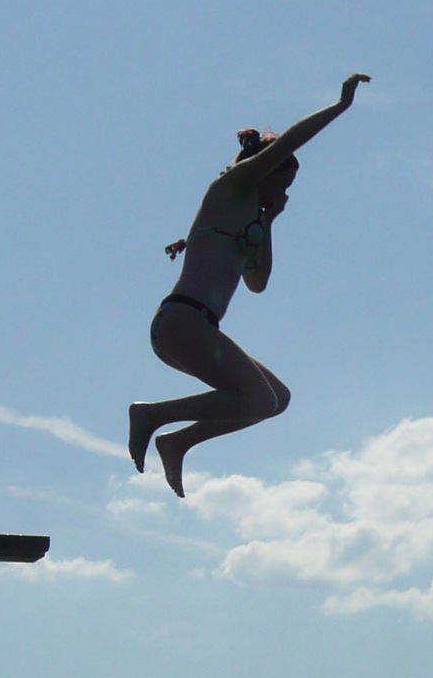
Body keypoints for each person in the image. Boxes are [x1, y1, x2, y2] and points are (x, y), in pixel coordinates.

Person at [129, 74, 369, 496]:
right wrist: (340, 106)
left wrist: (270, 221)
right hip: (181, 321)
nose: (285, 192)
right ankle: (151, 415)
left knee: (277, 398)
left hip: (197, 327)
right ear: (266, 171)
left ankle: (178, 441)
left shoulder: (251, 216)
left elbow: (258, 283)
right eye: (283, 182)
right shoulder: (231, 188)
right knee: (259, 399)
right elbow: (290, 141)